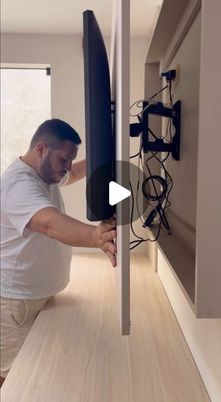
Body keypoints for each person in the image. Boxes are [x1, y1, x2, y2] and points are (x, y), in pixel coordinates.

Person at [0, 118, 117, 386]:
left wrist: (102, 158)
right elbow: (49, 223)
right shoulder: (19, 186)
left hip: (34, 296)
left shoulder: (45, 172)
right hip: (14, 302)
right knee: (12, 376)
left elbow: (72, 174)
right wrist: (95, 236)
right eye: (63, 159)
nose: (66, 167)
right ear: (41, 148)